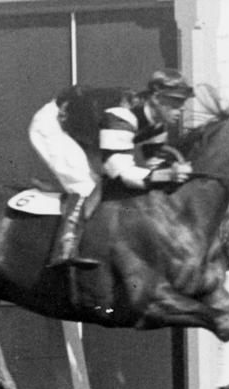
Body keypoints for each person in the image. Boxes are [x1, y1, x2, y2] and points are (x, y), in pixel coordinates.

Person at [29, 68, 194, 269]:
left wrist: (174, 173)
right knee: (86, 186)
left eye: (182, 103)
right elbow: (121, 172)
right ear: (157, 99)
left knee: (105, 185)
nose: (181, 109)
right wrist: (167, 174)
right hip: (54, 126)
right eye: (176, 103)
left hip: (88, 133)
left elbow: (155, 167)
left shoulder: (157, 127)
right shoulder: (122, 114)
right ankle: (65, 248)